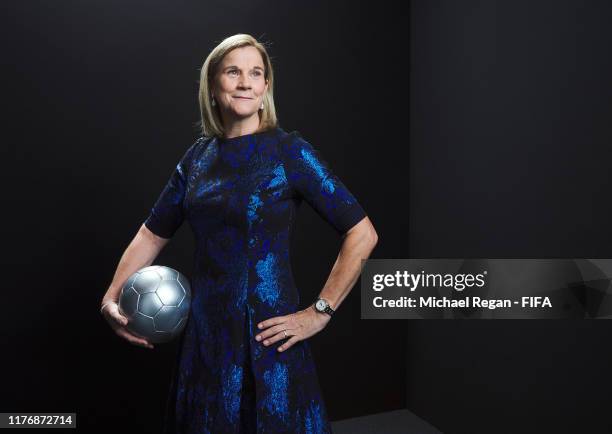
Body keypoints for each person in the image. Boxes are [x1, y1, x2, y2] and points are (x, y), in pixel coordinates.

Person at [100, 33, 378, 434]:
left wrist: (320, 312)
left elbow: (362, 232)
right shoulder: (197, 158)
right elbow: (151, 233)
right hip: (205, 338)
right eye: (233, 72)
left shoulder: (290, 153)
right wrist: (110, 296)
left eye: (256, 73)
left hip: (269, 338)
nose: (245, 82)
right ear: (213, 86)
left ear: (265, 88)